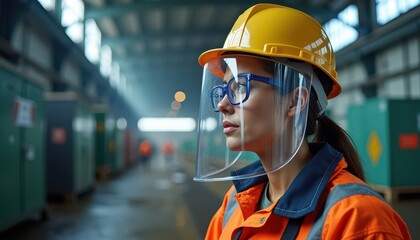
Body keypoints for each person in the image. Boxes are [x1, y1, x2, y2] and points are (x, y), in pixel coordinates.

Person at [193, 3, 411, 240]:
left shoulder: (359, 220)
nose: (223, 105)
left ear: (296, 100)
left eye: (239, 87)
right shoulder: (233, 206)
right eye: (223, 91)